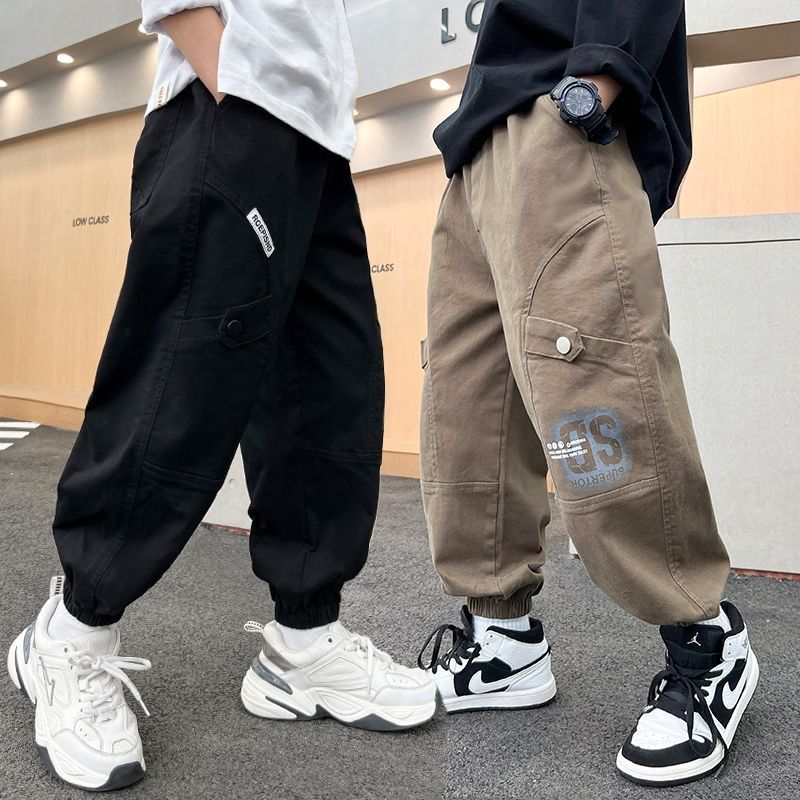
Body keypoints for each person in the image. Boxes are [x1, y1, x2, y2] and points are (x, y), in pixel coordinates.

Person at [7, 1, 435, 791]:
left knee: (329, 389)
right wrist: (227, 78)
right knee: (179, 388)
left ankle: (304, 642)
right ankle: (72, 634)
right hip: (230, 107)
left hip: (318, 138)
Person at [417, 0, 757, 787]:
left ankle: (708, 641)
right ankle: (502, 640)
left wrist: (599, 79)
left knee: (597, 392)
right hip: (477, 148)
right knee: (467, 409)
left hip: (561, 117)